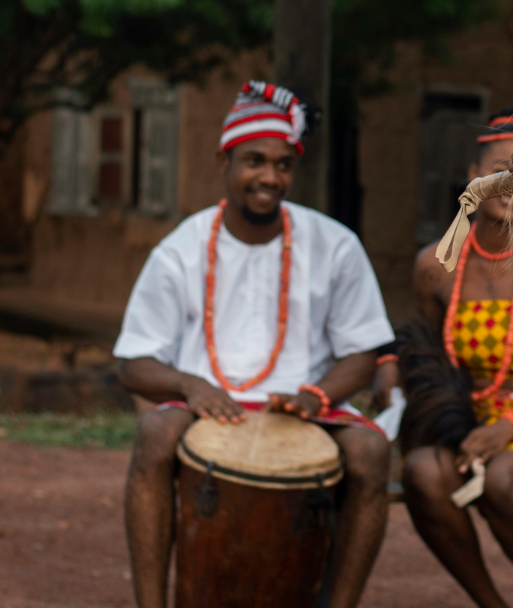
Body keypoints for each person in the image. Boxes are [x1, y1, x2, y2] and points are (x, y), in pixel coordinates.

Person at [114, 81, 394, 608]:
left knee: (372, 451)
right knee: (154, 432)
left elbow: (363, 350)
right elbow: (133, 363)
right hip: (204, 402)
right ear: (227, 161)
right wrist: (188, 383)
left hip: (306, 403)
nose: (269, 176)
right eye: (254, 161)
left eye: (283, 164)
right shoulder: (181, 248)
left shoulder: (335, 244)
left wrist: (317, 395)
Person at [390, 109, 513, 608]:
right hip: (467, 421)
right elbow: (433, 360)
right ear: (472, 177)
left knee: (507, 475)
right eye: (500, 167)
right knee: (423, 472)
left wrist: (506, 429)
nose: (512, 181)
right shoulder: (434, 267)